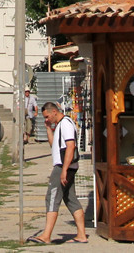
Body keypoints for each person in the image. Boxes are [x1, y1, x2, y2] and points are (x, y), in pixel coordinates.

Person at [30, 101, 88, 244]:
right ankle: (81, 235)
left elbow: (70, 146)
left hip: (63, 166)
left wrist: (64, 170)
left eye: (47, 116)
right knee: (70, 199)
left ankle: (46, 235)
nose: (46, 119)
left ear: (54, 112)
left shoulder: (66, 124)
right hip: (66, 166)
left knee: (52, 197)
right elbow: (54, 145)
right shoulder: (60, 125)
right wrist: (48, 129)